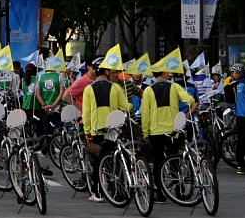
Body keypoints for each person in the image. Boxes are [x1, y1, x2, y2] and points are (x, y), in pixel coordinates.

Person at [141, 68, 199, 204]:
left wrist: (145, 133)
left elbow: (145, 114)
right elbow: (190, 100)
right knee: (174, 159)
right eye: (167, 72)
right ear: (164, 74)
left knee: (158, 161)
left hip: (156, 131)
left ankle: (161, 194)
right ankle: (179, 191)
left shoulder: (149, 90)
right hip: (174, 130)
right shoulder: (175, 87)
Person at [82, 56, 131, 203]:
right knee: (116, 159)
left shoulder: (89, 89)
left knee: (98, 161)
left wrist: (87, 131)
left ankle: (98, 193)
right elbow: (125, 107)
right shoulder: (116, 88)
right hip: (114, 130)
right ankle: (117, 191)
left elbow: (87, 113)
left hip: (98, 131)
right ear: (107, 72)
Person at [36, 62, 65, 135]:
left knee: (47, 130)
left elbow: (38, 94)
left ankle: (48, 144)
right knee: (58, 129)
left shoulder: (40, 77)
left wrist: (44, 105)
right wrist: (54, 105)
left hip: (45, 109)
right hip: (57, 108)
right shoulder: (59, 76)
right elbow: (61, 93)